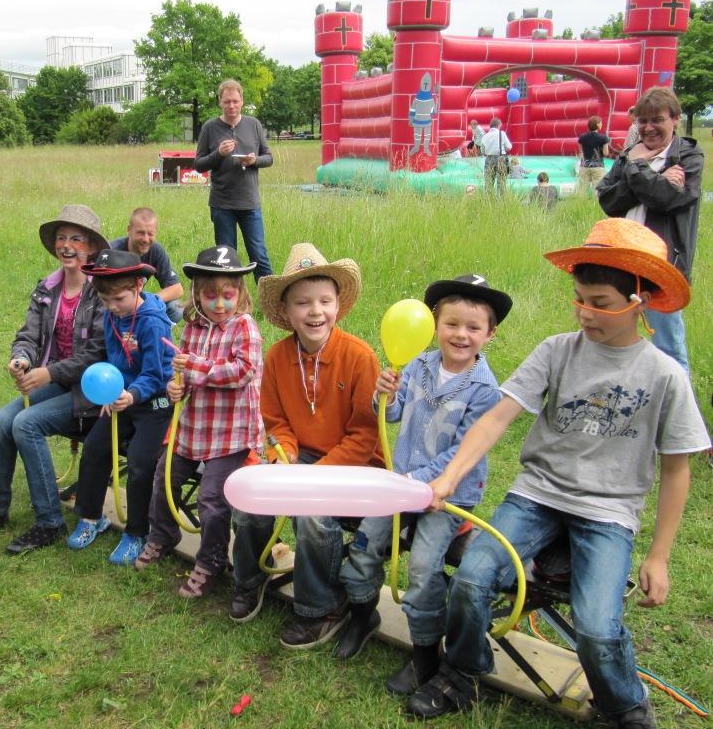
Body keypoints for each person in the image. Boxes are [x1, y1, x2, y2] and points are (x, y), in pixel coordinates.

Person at [406, 218, 709, 727]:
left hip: (608, 512)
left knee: (595, 625)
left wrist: (659, 556)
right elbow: (497, 416)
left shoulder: (664, 375)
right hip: (536, 495)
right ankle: (461, 673)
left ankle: (624, 707)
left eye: (601, 303)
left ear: (640, 301)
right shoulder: (556, 349)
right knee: (472, 579)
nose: (585, 313)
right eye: (579, 298)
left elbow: (678, 469)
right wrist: (448, 478)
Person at [337, 276, 512, 687]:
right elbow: (391, 415)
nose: (461, 335)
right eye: (452, 324)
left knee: (422, 568)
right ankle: (362, 617)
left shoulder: (486, 390)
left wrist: (416, 481)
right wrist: (385, 395)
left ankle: (424, 656)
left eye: (473, 327)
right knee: (364, 545)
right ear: (435, 324)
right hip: (399, 487)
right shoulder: (417, 363)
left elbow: (463, 453)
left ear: (491, 333)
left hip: (445, 496)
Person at [229, 243, 385, 649]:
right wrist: (285, 455)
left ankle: (323, 606)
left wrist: (312, 476)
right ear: (287, 311)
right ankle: (250, 579)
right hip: (303, 457)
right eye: (303, 303)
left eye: (324, 301)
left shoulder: (359, 357)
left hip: (356, 463)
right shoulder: (278, 357)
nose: (315, 311)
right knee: (250, 497)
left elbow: (365, 435)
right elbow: (275, 420)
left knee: (312, 513)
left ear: (338, 306)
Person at [0, 205, 108, 554]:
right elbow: (28, 334)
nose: (67, 245)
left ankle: (50, 522)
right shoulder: (47, 288)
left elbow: (98, 353)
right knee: (2, 421)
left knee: (25, 423)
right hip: (55, 383)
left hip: (91, 391)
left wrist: (49, 372)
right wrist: (21, 359)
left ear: (90, 247)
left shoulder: (101, 290)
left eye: (76, 238)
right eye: (61, 238)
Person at [134, 246, 263, 599]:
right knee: (163, 477)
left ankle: (211, 560)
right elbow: (182, 373)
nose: (219, 304)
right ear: (197, 294)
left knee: (211, 498)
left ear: (240, 294)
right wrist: (177, 387)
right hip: (195, 427)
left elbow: (243, 371)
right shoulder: (191, 329)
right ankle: (162, 535)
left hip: (233, 432)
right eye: (210, 296)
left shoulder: (244, 326)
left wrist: (195, 369)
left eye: (228, 295)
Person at [66, 249, 174, 564]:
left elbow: (155, 374)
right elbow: (115, 360)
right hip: (124, 398)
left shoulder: (153, 322)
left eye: (119, 299)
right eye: (106, 301)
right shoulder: (113, 316)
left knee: (141, 462)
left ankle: (137, 532)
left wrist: (132, 395)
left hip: (155, 402)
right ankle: (91, 516)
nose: (113, 307)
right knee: (96, 447)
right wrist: (114, 392)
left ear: (138, 286)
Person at [596, 86, 703, 373]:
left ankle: (681, 416)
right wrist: (649, 174)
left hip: (661, 266)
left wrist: (637, 169)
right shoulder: (629, 154)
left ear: (675, 119)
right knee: (614, 340)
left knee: (668, 347)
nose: (648, 127)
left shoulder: (688, 157)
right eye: (642, 121)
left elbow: (667, 199)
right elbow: (608, 200)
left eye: (657, 119)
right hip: (621, 263)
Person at [194, 79, 274, 282]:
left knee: (259, 255)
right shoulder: (210, 128)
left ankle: (271, 305)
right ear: (220, 102)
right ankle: (231, 304)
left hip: (249, 203)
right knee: (227, 260)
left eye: (235, 101)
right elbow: (199, 165)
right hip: (222, 204)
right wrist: (219, 154)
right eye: (227, 101)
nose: (231, 106)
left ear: (242, 102)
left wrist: (254, 160)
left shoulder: (253, 124)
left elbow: (269, 157)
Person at [110, 207, 184, 324]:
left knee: (177, 308)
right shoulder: (112, 251)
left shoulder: (155, 250)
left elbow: (177, 289)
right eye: (141, 233)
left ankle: (155, 333)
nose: (146, 239)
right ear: (129, 230)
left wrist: (150, 301)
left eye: (150, 234)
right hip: (115, 303)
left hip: (139, 300)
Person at [577, 116, 610, 194]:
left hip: (584, 166)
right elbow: (606, 153)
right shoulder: (603, 138)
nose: (602, 124)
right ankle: (596, 206)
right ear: (597, 124)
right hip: (598, 166)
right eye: (601, 123)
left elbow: (581, 151)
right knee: (598, 190)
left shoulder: (582, 137)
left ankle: (580, 205)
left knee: (582, 190)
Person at [481, 118, 512, 194]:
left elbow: (482, 151)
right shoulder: (502, 134)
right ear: (498, 125)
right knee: (501, 183)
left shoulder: (485, 136)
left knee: (488, 182)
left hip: (489, 159)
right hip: (500, 158)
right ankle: (501, 202)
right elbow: (509, 147)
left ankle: (488, 201)